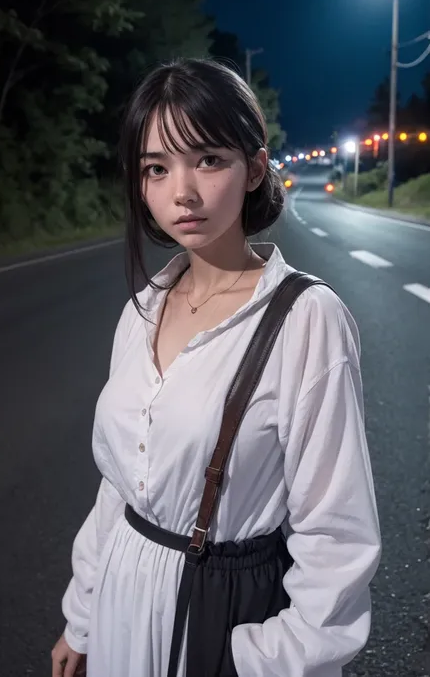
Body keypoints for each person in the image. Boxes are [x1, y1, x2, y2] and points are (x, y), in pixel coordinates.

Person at [51, 58, 381, 677]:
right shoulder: (141, 310)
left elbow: (336, 534)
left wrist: (263, 661)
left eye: (207, 160)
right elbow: (118, 488)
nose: (182, 192)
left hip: (216, 617)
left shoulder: (306, 320)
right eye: (156, 167)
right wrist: (83, 618)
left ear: (254, 168)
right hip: (121, 598)